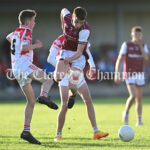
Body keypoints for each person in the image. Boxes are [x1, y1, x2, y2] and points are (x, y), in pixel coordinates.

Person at [53, 7, 109, 142]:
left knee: (86, 98)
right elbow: (63, 10)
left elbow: (80, 53)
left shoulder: (85, 30)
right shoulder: (67, 18)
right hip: (65, 52)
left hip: (77, 59)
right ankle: (58, 134)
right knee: (59, 82)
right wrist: (63, 25)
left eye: (81, 22)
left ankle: (96, 131)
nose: (78, 25)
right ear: (72, 16)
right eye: (76, 21)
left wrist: (90, 65)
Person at [6, 9, 58, 145]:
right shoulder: (27, 31)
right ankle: (44, 96)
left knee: (31, 101)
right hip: (24, 65)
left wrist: (15, 44)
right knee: (48, 79)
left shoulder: (16, 32)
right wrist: (37, 45)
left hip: (16, 69)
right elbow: (24, 48)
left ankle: (26, 132)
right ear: (28, 21)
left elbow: (8, 37)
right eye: (34, 20)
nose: (35, 22)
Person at [47, 34, 96, 109]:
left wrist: (92, 66)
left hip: (76, 70)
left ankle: (73, 95)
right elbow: (50, 58)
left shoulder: (81, 38)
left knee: (88, 100)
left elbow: (87, 52)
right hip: (64, 72)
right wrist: (64, 68)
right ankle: (71, 96)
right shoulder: (61, 39)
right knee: (64, 105)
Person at [114, 26, 149, 126]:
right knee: (133, 95)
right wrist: (117, 73)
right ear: (132, 35)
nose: (138, 36)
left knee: (139, 98)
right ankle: (126, 112)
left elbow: (146, 58)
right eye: (136, 35)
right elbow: (119, 59)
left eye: (139, 35)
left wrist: (140, 46)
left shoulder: (143, 45)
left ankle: (139, 120)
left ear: (141, 35)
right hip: (129, 73)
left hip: (140, 73)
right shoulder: (126, 45)